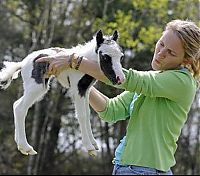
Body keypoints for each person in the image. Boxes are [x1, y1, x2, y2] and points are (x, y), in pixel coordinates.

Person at [36, 19, 200, 175]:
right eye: (161, 44)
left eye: (170, 52)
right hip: (127, 167)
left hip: (145, 171)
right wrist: (76, 79)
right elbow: (111, 110)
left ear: (185, 59)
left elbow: (126, 79)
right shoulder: (155, 80)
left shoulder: (182, 82)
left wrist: (73, 61)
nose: (161, 53)